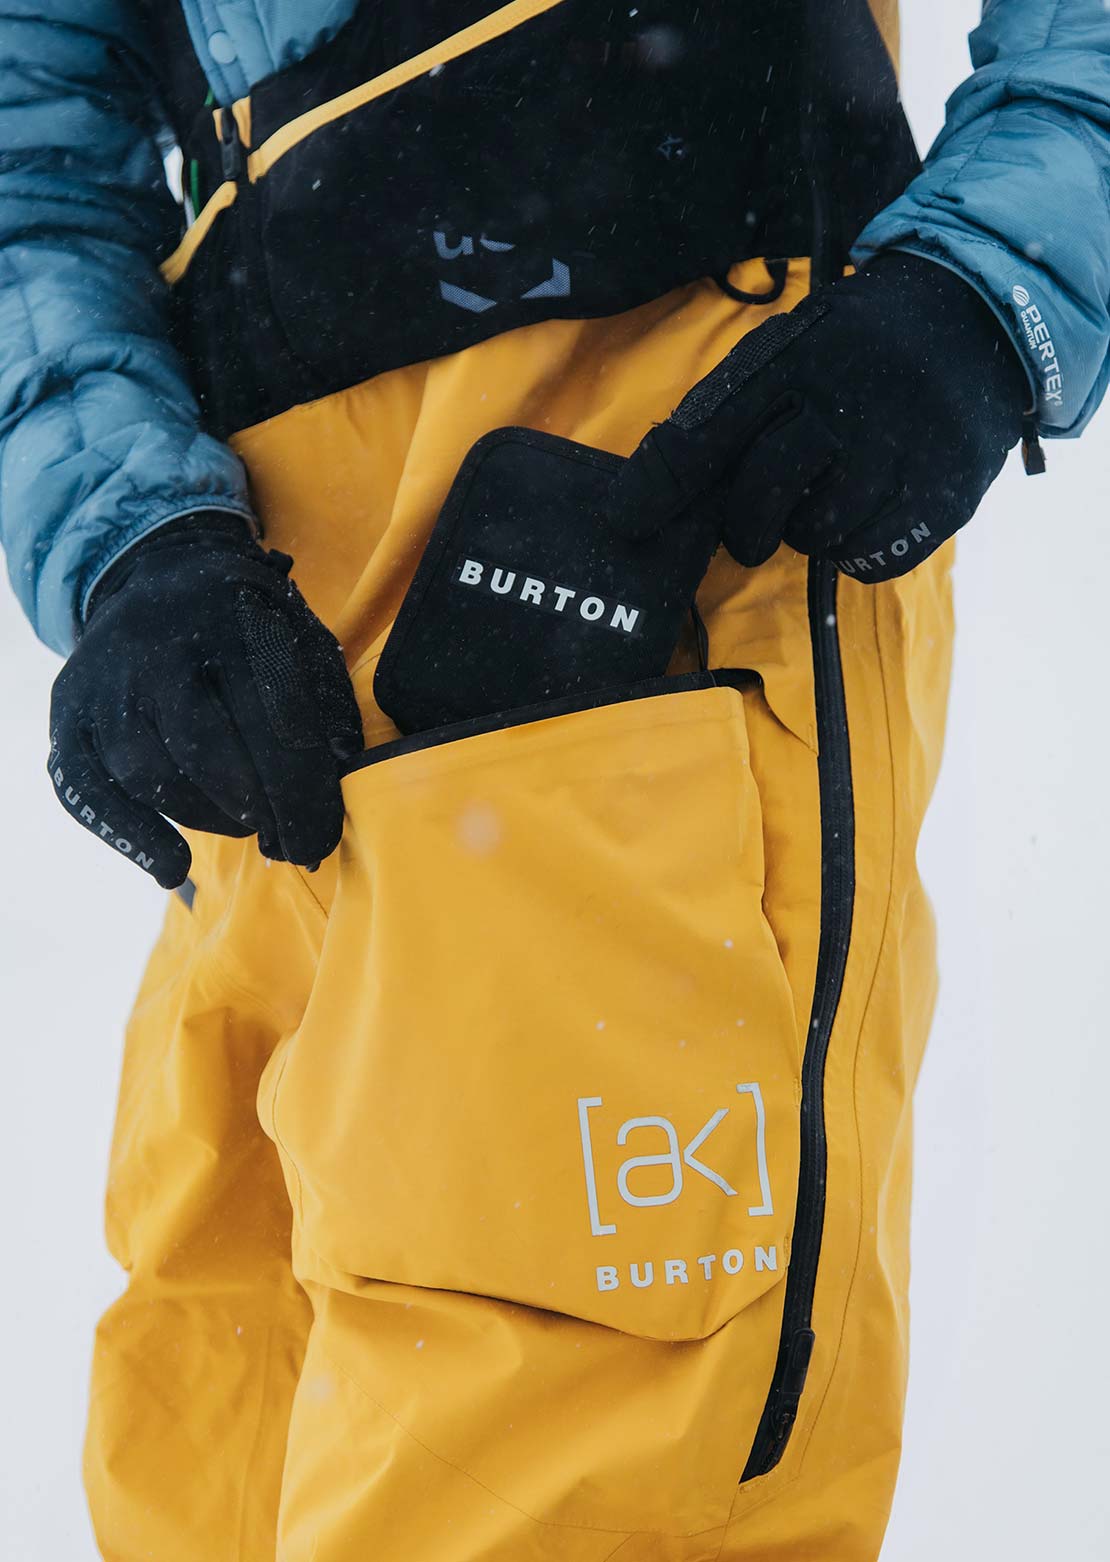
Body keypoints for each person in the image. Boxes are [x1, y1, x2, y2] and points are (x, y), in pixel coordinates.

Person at [2, 2, 1107, 1558]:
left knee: (567, 1456)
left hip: (656, 474)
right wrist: (129, 528)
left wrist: (987, 277)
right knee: (214, 1434)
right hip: (257, 597)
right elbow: (27, 121)